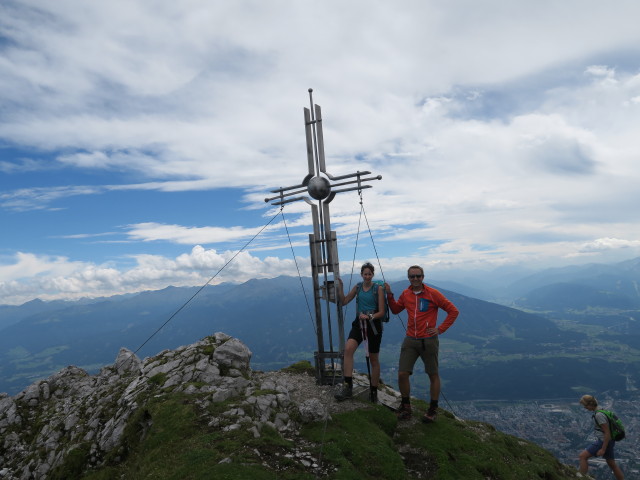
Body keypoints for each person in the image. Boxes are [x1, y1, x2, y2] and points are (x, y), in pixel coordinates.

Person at [385, 265, 459, 422]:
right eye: (412, 276)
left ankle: (432, 409)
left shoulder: (433, 293)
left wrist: (440, 329)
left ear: (423, 277)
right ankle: (406, 407)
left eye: (418, 276)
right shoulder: (406, 293)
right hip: (410, 339)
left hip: (428, 340)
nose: (415, 279)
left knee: (433, 374)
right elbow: (396, 310)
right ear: (409, 278)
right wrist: (390, 295)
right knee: (402, 373)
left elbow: (453, 311)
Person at [334, 262, 385, 403]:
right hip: (359, 323)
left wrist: (369, 316)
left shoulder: (378, 289)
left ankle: (374, 391)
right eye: (365, 274)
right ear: (362, 275)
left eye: (369, 274)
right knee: (348, 350)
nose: (367, 276)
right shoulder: (358, 287)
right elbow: (344, 301)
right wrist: (341, 288)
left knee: (374, 359)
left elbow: (382, 312)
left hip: (373, 324)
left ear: (372, 275)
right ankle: (348, 387)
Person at [578, 395, 624, 479]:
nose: (585, 408)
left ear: (590, 404)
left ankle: (581, 478)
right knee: (612, 465)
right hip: (610, 441)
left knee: (582, 456)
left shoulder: (599, 415)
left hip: (603, 441)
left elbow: (607, 433)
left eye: (585, 406)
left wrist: (603, 449)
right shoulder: (602, 410)